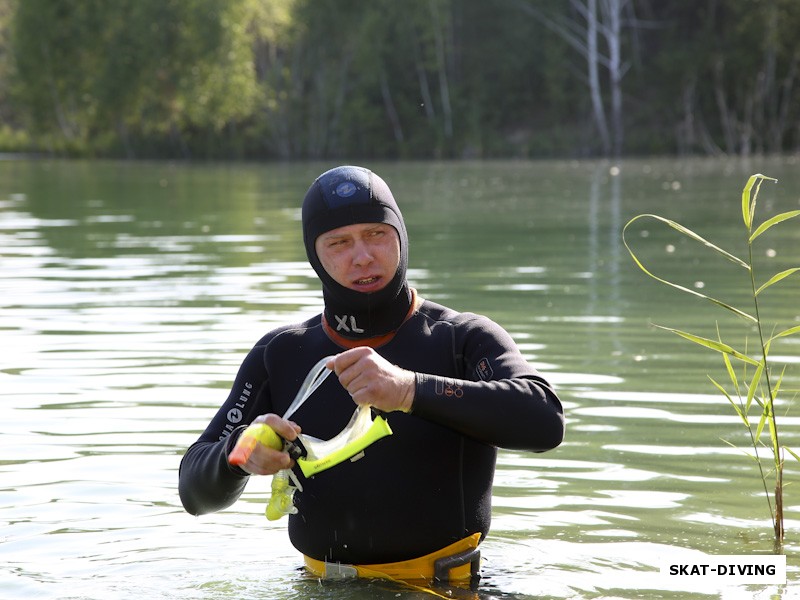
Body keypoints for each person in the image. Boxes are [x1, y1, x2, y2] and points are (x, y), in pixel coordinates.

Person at [178, 165, 565, 585]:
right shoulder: (281, 354)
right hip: (320, 589)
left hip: (448, 589)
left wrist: (408, 390)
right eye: (339, 243)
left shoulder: (460, 339)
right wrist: (238, 453)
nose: (362, 256)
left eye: (376, 234)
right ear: (315, 256)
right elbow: (193, 493)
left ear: (400, 236)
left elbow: (543, 420)